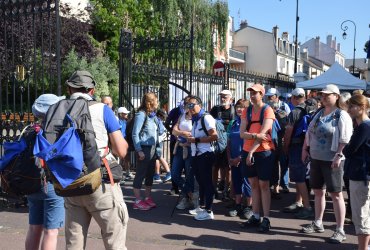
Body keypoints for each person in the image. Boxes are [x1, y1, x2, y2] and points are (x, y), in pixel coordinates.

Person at [63, 70, 129, 249]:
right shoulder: (102, 109)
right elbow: (121, 150)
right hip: (99, 179)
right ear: (92, 90)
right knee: (114, 239)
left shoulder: (58, 109)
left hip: (70, 182)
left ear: (69, 88)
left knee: (73, 243)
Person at [301, 84, 353, 244]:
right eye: (322, 95)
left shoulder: (341, 115)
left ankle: (340, 230)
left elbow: (346, 137)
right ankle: (318, 222)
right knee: (318, 192)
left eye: (327, 95)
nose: (323, 97)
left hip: (332, 160)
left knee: (336, 194)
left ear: (336, 96)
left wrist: (338, 155)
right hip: (316, 158)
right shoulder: (319, 113)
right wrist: (305, 149)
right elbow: (309, 131)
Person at [25, 94, 65, 250]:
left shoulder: (29, 130)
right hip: (50, 183)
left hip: (31, 182)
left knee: (34, 228)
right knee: (51, 231)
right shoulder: (55, 131)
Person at [239, 83, 275, 233]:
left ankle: (266, 218)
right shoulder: (246, 111)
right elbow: (242, 133)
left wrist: (252, 151)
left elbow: (264, 132)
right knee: (253, 184)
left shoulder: (267, 110)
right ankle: (256, 215)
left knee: (264, 185)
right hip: (248, 150)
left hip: (263, 152)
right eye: (251, 93)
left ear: (262, 94)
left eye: (255, 93)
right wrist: (253, 136)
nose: (252, 95)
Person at [343, 94, 370, 250]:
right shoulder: (362, 126)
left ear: (362, 107)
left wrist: (346, 148)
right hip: (361, 174)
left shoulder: (364, 127)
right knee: (363, 214)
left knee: (361, 216)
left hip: (361, 175)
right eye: (350, 105)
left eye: (353, 106)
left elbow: (350, 149)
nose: (350, 109)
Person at [283, 88, 314, 219]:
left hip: (297, 147)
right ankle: (299, 202)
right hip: (308, 147)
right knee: (303, 176)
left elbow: (288, 133)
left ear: (294, 98)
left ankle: (306, 207)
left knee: (298, 178)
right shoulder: (310, 109)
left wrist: (285, 147)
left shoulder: (294, 112)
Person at [186, 95, 217, 220]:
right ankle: (202, 206)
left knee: (207, 182)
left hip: (206, 154)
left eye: (192, 105)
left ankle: (209, 211)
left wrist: (196, 139)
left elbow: (214, 136)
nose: (190, 108)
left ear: (200, 105)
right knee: (201, 182)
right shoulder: (196, 119)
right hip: (197, 155)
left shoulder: (206, 118)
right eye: (188, 105)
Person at [132, 92, 161, 211]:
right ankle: (137, 200)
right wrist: (139, 150)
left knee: (149, 175)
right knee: (140, 174)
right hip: (144, 148)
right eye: (156, 100)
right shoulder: (141, 115)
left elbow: (157, 133)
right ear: (151, 102)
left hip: (153, 149)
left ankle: (147, 197)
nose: (158, 102)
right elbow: (135, 134)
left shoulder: (153, 116)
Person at [226, 99, 252, 217]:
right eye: (237, 107)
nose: (239, 109)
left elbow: (251, 143)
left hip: (245, 158)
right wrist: (230, 158)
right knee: (236, 182)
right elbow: (229, 141)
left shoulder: (250, 123)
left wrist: (239, 158)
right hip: (233, 159)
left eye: (242, 107)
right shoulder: (233, 123)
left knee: (247, 183)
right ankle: (238, 205)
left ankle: (248, 207)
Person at [171, 98, 197, 210]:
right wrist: (183, 133)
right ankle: (191, 195)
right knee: (175, 174)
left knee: (189, 176)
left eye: (191, 104)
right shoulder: (182, 116)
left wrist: (182, 134)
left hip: (191, 149)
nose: (189, 105)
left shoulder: (197, 118)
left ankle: (187, 199)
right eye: (187, 103)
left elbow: (196, 134)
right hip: (180, 148)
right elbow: (174, 131)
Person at [265, 87, 290, 197]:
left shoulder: (285, 106)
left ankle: (284, 184)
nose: (269, 98)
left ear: (277, 96)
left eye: (271, 96)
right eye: (268, 96)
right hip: (271, 140)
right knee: (274, 163)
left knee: (284, 162)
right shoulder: (266, 106)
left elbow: (289, 123)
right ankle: (274, 186)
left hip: (281, 139)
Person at [210, 89, 234, 200]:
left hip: (229, 143)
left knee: (227, 167)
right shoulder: (215, 109)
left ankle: (226, 190)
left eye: (225, 97)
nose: (223, 99)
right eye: (221, 96)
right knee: (215, 167)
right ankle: (213, 189)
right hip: (217, 142)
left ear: (231, 98)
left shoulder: (234, 111)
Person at [153, 109, 172, 183]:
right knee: (157, 157)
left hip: (157, 141)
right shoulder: (159, 120)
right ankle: (157, 174)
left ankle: (168, 172)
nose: (164, 117)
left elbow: (160, 131)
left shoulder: (157, 120)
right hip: (158, 141)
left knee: (159, 157)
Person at [117, 107, 134, 181]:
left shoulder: (126, 121)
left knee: (127, 158)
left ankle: (127, 172)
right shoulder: (117, 121)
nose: (127, 114)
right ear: (121, 114)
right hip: (119, 141)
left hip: (126, 141)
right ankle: (119, 174)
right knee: (120, 158)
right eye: (125, 113)